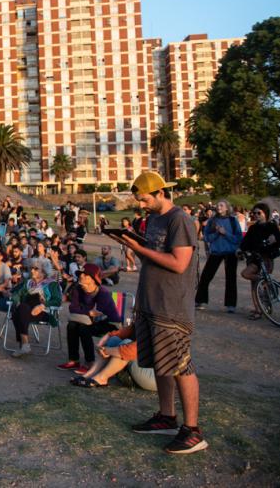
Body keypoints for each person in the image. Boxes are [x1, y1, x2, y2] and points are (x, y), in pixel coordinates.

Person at [107, 171, 206, 455]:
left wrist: (140, 247)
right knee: (161, 364)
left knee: (179, 366)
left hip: (172, 305)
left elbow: (178, 263)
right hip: (151, 303)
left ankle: (193, 431)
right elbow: (152, 256)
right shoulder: (154, 219)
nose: (141, 205)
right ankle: (166, 416)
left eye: (144, 199)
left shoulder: (180, 220)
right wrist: (133, 245)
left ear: (160, 193)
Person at [57, 264, 122, 373]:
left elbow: (98, 314)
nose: (81, 276)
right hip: (88, 319)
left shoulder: (103, 293)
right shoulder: (78, 289)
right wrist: (87, 312)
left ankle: (90, 362)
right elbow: (73, 308)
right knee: (71, 325)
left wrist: (85, 312)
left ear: (93, 279)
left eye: (85, 274)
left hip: (110, 323)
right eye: (80, 274)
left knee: (83, 328)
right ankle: (74, 360)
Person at [194, 200, 242, 313]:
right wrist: (217, 233)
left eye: (221, 205)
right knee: (206, 276)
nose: (218, 207)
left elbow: (238, 238)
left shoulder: (233, 220)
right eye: (218, 205)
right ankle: (200, 300)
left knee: (231, 278)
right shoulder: (212, 221)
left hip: (230, 253)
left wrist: (225, 233)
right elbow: (206, 238)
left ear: (226, 208)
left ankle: (231, 305)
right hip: (216, 252)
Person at [8, 264, 62, 357]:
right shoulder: (28, 283)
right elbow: (16, 294)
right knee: (21, 308)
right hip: (26, 310)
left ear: (44, 272)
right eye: (31, 268)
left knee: (18, 312)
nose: (32, 271)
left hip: (44, 312)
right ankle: (25, 345)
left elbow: (57, 300)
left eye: (36, 269)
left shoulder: (52, 284)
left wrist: (42, 305)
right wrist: (16, 301)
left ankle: (24, 346)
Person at [239, 203, 280, 320]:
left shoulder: (272, 226)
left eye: (259, 213)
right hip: (254, 258)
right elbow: (245, 243)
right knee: (254, 284)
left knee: (250, 277)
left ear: (265, 213)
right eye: (254, 213)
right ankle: (258, 309)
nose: (256, 215)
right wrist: (240, 249)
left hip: (267, 258)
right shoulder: (252, 228)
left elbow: (278, 239)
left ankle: (264, 307)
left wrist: (274, 239)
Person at [72, 324, 139, 388]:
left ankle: (102, 378)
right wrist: (101, 344)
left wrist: (106, 350)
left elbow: (133, 349)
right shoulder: (142, 316)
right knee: (115, 339)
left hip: (147, 369)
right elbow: (122, 332)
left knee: (126, 343)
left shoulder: (148, 317)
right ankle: (91, 373)